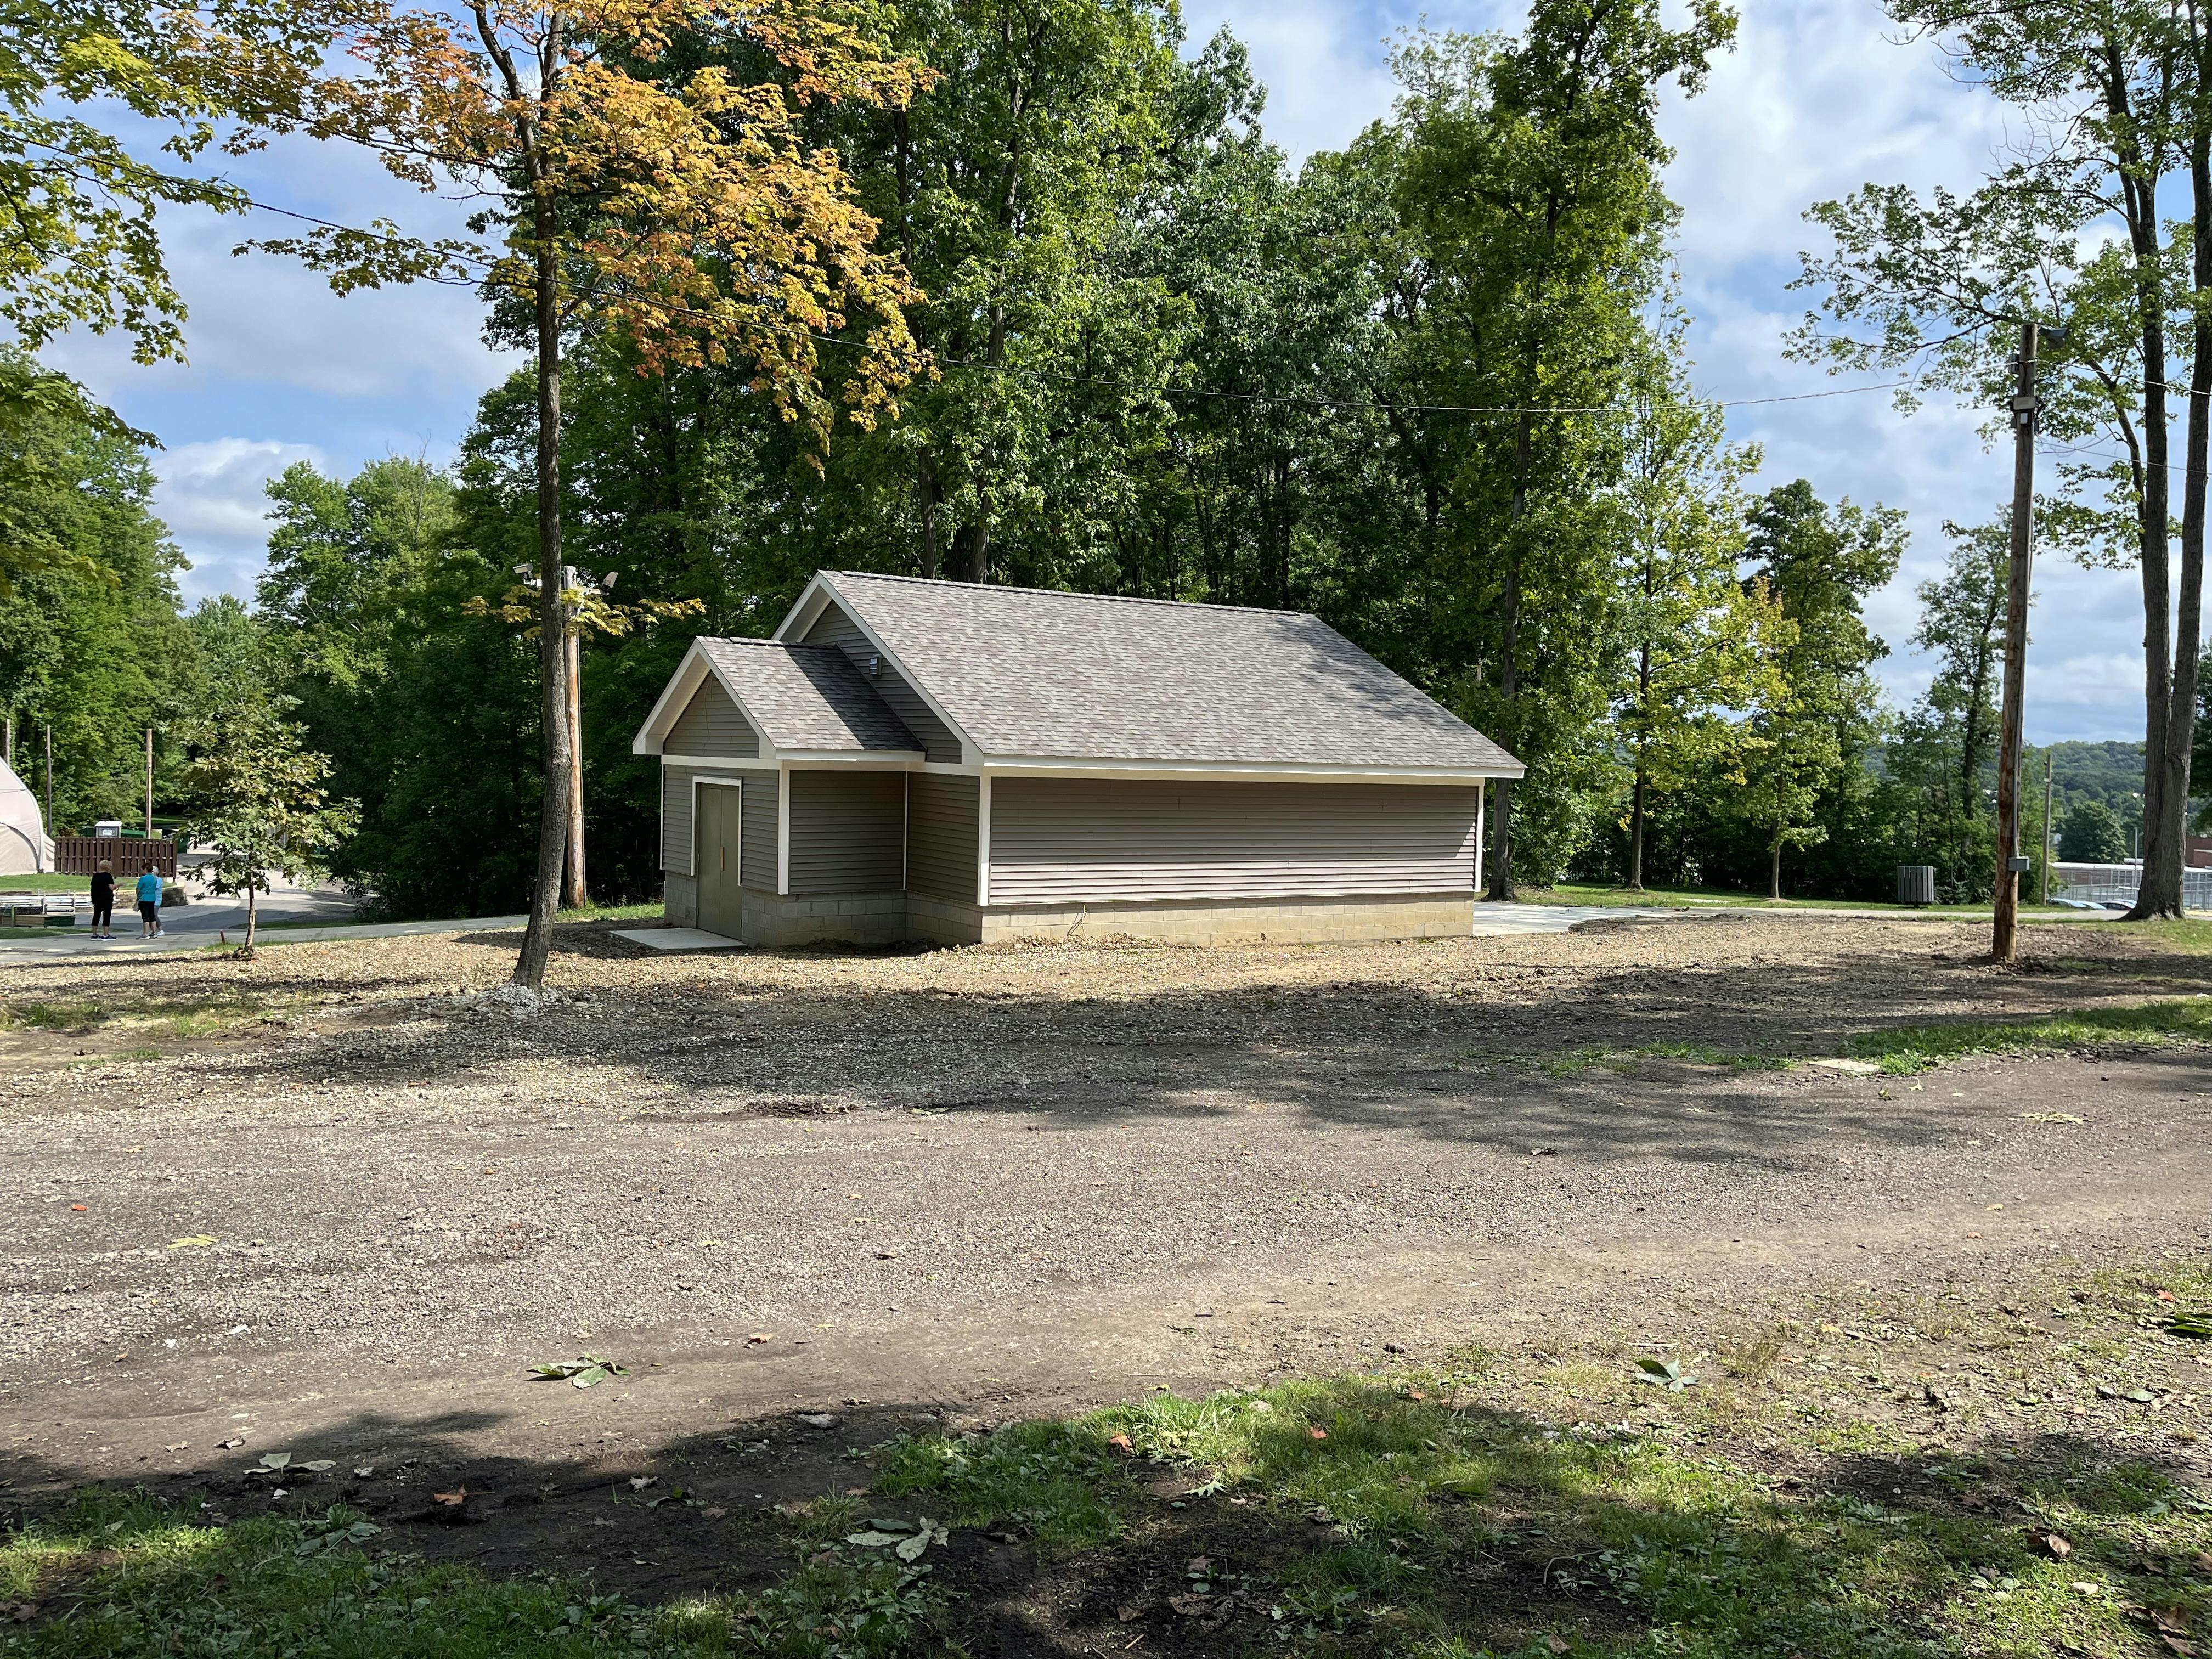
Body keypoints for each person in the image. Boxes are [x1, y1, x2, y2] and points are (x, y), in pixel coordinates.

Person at [136, 861, 164, 938]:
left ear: (145, 869)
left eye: (142, 869)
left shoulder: (143, 878)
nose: (141, 871)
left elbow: (138, 889)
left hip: (144, 898)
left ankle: (145, 933)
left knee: (145, 917)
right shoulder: (154, 879)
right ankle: (154, 933)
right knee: (152, 916)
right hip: (152, 899)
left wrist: (138, 896)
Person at [89, 860, 115, 939]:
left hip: (96, 898)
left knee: (96, 915)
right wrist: (119, 885)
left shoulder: (95, 876)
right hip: (106, 898)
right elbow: (112, 887)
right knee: (107, 916)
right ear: (108, 867)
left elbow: (93, 887)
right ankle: (106, 934)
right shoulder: (108, 876)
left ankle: (94, 934)